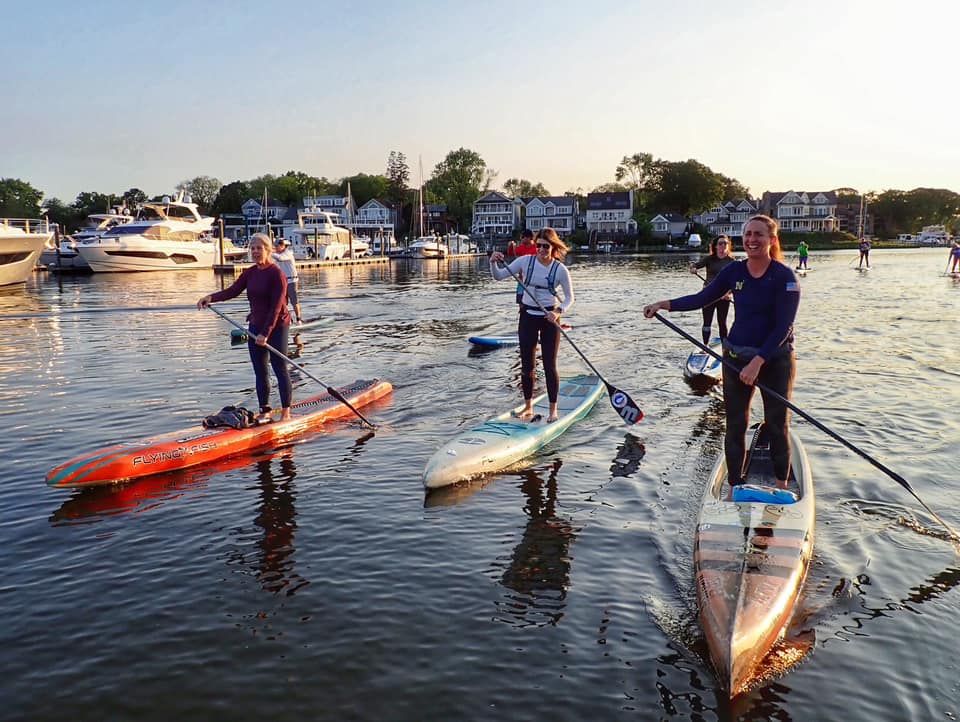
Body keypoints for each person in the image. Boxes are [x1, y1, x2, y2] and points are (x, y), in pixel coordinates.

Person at [643, 215, 800, 490]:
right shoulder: (733, 272)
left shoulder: (785, 277)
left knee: (777, 425)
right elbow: (701, 298)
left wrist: (759, 362)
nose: (752, 239)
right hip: (736, 358)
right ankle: (735, 486)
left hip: (775, 360)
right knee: (736, 424)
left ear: (772, 240)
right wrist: (662, 304)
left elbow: (783, 327)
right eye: (748, 234)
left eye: (759, 234)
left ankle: (781, 488)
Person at [197, 233, 292, 422]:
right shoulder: (250, 273)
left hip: (277, 326)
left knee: (280, 369)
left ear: (268, 250)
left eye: (259, 248)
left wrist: (266, 333)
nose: (256, 252)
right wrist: (211, 297)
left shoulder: (277, 274)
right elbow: (232, 291)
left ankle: (286, 413)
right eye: (253, 248)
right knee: (260, 370)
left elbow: (276, 308)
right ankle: (265, 410)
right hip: (255, 326)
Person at [490, 227, 575, 423]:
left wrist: (558, 312)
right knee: (527, 366)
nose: (541, 250)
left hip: (549, 319)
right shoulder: (525, 261)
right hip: (527, 316)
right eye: (539, 246)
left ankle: (553, 411)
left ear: (553, 247)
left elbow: (570, 298)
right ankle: (528, 407)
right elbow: (498, 276)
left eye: (546, 246)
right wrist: (492, 262)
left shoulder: (560, 270)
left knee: (549, 365)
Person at [690, 235, 736, 344]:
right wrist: (693, 268)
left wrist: (729, 293)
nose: (723, 245)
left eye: (725, 243)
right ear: (715, 246)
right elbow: (694, 265)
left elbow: (735, 281)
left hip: (723, 296)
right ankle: (705, 346)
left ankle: (725, 348)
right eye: (720, 243)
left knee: (722, 322)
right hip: (708, 294)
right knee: (707, 322)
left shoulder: (732, 262)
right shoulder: (709, 259)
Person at [272, 237, 302, 324]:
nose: (275, 248)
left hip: (292, 281)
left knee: (294, 301)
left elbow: (280, 258)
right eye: (275, 246)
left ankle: (298, 319)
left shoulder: (288, 253)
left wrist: (269, 253)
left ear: (282, 246)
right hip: (283, 282)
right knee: (282, 302)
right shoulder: (277, 255)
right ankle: (289, 320)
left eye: (276, 246)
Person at [512, 229, 538, 305]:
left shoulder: (537, 249)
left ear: (529, 238)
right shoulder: (521, 247)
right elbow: (511, 252)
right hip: (522, 279)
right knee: (520, 299)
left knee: (532, 300)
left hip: (533, 280)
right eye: (522, 237)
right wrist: (511, 246)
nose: (521, 239)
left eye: (523, 237)